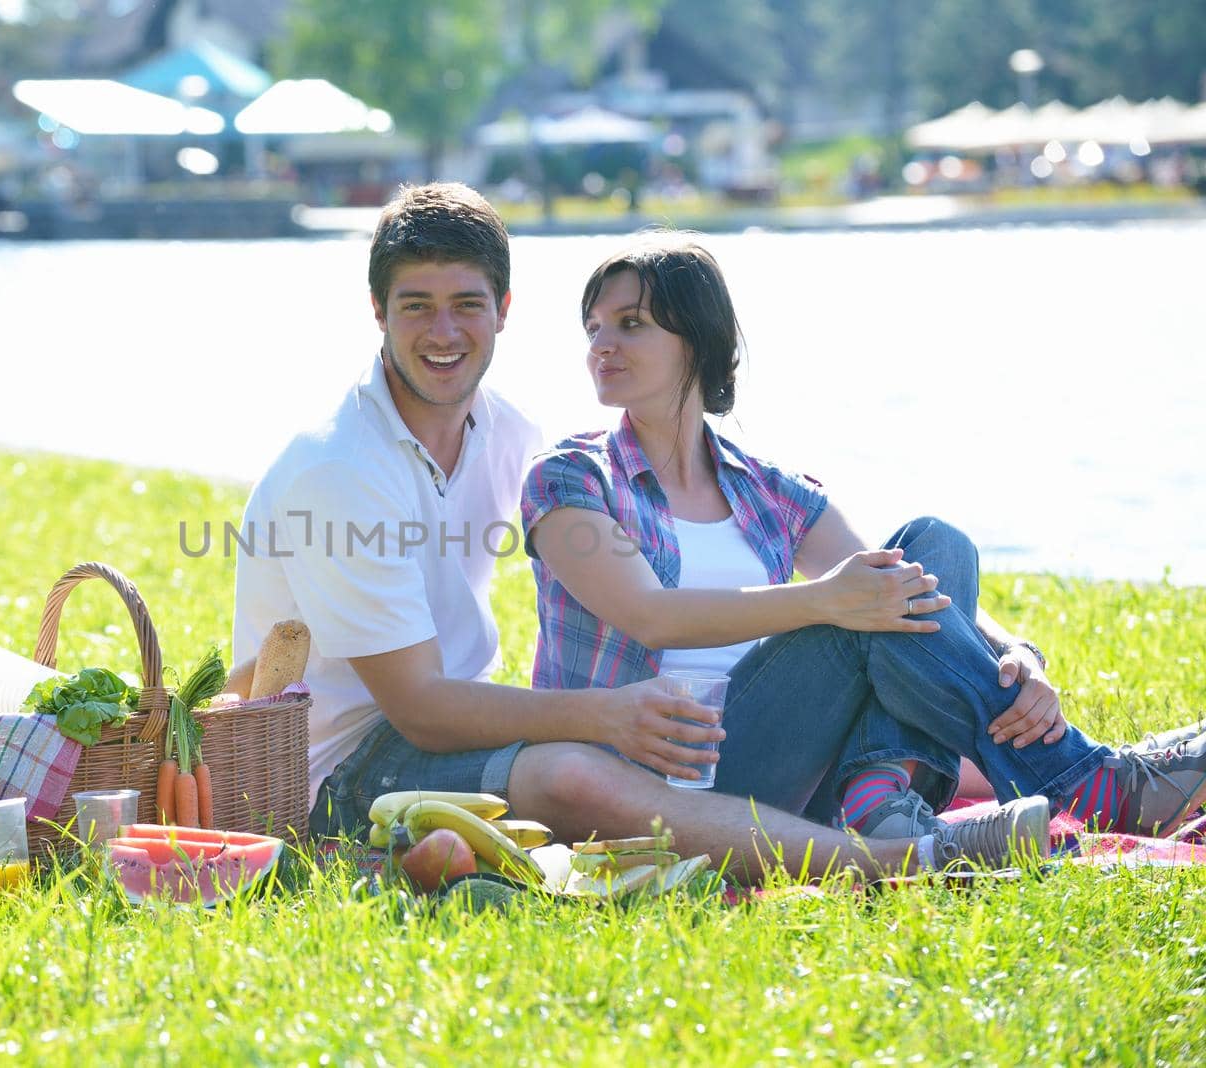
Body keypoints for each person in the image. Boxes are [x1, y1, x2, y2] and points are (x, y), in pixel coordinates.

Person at [232, 183, 1050, 884]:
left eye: (466, 305)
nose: (443, 332)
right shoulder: (341, 471)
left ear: (503, 311)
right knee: (576, 775)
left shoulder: (506, 435)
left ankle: (1070, 778)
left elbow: (869, 571)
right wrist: (604, 714)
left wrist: (1008, 648)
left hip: (485, 730)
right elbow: (419, 711)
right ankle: (901, 863)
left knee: (912, 583)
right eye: (416, 306)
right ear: (377, 311)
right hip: (340, 773)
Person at [519, 232, 1206, 843]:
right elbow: (649, 615)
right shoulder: (572, 478)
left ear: (695, 339)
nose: (600, 346)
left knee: (935, 542)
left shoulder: (767, 488)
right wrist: (824, 601)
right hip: (647, 779)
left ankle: (874, 790)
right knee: (863, 603)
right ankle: (1085, 778)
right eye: (593, 328)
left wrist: (1013, 651)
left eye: (629, 324)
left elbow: (898, 581)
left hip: (782, 757)